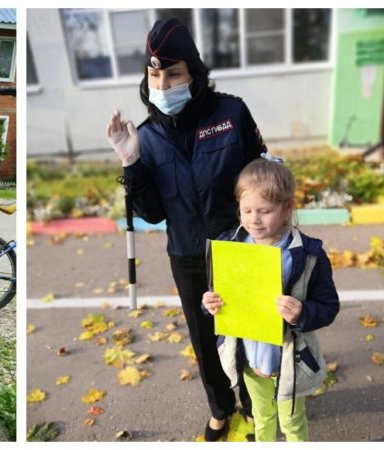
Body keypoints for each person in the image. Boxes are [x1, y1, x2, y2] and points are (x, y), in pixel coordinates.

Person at [105, 17, 269, 440]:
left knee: (251, 334)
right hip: (188, 254)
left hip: (242, 246)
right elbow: (154, 213)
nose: (163, 84)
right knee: (205, 342)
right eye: (155, 74)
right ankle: (220, 408)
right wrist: (130, 163)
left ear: (193, 74)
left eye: (174, 73)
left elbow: (260, 175)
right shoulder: (146, 137)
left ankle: (254, 406)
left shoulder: (231, 113)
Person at [202, 157, 339, 441]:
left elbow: (328, 306)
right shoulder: (232, 247)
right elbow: (219, 299)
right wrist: (208, 305)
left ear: (287, 208)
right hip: (250, 360)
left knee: (292, 424)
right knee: (261, 418)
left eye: (265, 211)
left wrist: (302, 313)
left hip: (290, 360)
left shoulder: (308, 255)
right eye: (246, 210)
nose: (254, 219)